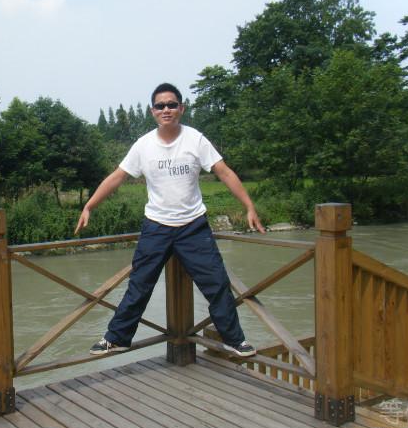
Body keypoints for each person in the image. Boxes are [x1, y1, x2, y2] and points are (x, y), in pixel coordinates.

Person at [74, 82, 265, 358]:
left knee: (217, 284)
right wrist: (89, 206)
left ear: (181, 108)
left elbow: (223, 172)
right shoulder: (143, 145)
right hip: (156, 226)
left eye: (171, 105)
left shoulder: (195, 139)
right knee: (139, 285)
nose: (166, 109)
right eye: (160, 105)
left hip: (193, 226)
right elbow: (118, 176)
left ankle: (234, 340)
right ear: (153, 111)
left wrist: (249, 206)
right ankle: (117, 338)